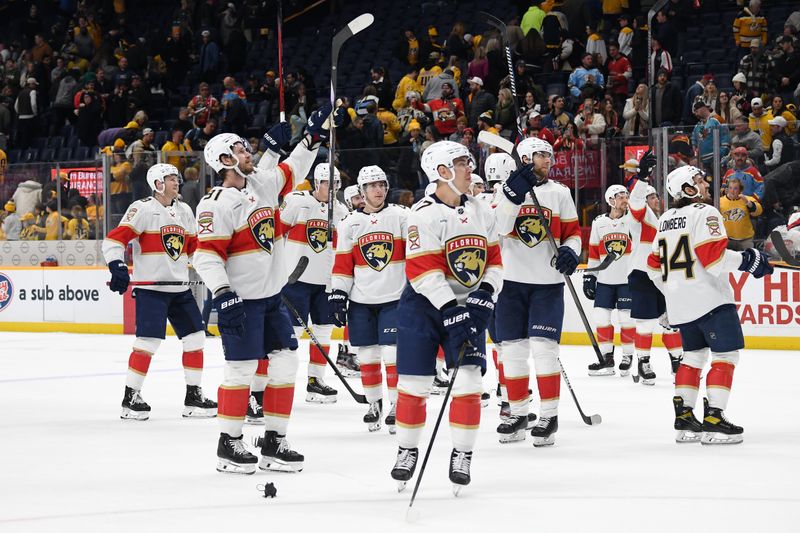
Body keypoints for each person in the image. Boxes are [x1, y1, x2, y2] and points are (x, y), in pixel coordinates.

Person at [193, 105, 338, 474]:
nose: (249, 153)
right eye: (241, 150)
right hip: (240, 301)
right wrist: (223, 294)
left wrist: (311, 136)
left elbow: (293, 169)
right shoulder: (215, 205)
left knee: (286, 362)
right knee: (240, 370)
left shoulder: (261, 183)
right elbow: (206, 256)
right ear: (224, 160)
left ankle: (274, 440)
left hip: (272, 299)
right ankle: (229, 442)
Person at [390, 141, 503, 494]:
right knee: (414, 384)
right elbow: (423, 271)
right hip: (423, 307)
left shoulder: (482, 210)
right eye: (461, 164)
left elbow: (495, 260)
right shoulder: (421, 214)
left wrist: (486, 292)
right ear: (441, 172)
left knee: (468, 381)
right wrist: (450, 308)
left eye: (469, 163)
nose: (470, 169)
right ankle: (407, 449)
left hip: (467, 306)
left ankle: (462, 454)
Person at [648, 166, 773, 444]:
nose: (705, 184)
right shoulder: (705, 212)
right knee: (725, 356)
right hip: (710, 300)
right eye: (699, 181)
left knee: (692, 356)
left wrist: (673, 296)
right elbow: (714, 259)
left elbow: (653, 269)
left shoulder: (665, 219)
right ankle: (714, 418)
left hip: (681, 305)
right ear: (688, 190)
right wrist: (749, 261)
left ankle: (685, 418)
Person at [102, 163, 216, 422]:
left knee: (196, 338)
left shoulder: (185, 210)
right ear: (157, 183)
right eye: (171, 178)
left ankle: (194, 396)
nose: (177, 182)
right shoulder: (142, 209)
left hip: (180, 289)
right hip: (151, 290)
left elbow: (193, 248)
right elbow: (114, 240)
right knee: (147, 343)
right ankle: (130, 398)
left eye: (177, 177)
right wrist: (117, 265)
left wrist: (214, 268)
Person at [492, 137, 580, 445]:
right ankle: (517, 412)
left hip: (547, 285)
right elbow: (497, 229)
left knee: (544, 350)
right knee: (513, 351)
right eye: (541, 155)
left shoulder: (560, 193)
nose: (548, 160)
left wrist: (572, 251)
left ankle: (548, 416)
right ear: (526, 158)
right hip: (509, 285)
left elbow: (572, 233)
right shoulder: (502, 192)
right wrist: (512, 196)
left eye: (549, 155)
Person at [330, 165, 408, 433]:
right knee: (367, 355)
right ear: (361, 192)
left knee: (392, 353)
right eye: (372, 185)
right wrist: (338, 294)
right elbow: (342, 265)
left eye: (382, 184)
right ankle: (374, 403)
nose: (378, 189)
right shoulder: (349, 223)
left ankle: (397, 404)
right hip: (361, 300)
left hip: (394, 298)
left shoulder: (401, 217)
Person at [280, 162, 348, 404]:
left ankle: (315, 382)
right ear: (317, 183)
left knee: (323, 330)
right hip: (296, 280)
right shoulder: (298, 201)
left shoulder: (341, 211)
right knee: (292, 333)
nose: (332, 188)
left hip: (326, 283)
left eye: (336, 183)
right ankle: (280, 381)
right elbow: (276, 232)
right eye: (327, 183)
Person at [625, 154, 684, 384]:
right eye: (651, 196)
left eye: (656, 195)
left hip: (664, 274)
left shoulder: (664, 218)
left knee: (671, 321)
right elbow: (636, 202)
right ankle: (643, 361)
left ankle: (677, 360)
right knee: (645, 323)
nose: (655, 199)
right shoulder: (638, 218)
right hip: (642, 274)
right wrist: (641, 178)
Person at [584, 185, 635, 376]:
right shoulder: (599, 223)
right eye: (620, 196)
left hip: (626, 281)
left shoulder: (632, 221)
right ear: (611, 200)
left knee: (626, 319)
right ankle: (607, 359)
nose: (625, 200)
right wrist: (590, 277)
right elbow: (594, 253)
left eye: (626, 196)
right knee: (600, 317)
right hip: (605, 280)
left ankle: (628, 356)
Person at [720, 177, 763, 251]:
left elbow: (758, 211)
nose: (732, 191)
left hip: (746, 239)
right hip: (729, 239)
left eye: (735, 188)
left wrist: (748, 203)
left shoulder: (747, 199)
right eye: (730, 188)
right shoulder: (720, 201)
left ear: (740, 190)